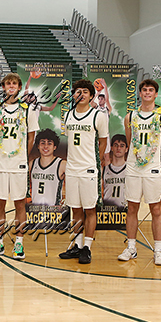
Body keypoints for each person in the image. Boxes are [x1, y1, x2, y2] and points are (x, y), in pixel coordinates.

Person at [118, 79, 161, 266]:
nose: (147, 93)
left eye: (151, 90)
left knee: (156, 209)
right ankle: (131, 248)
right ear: (140, 93)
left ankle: (158, 250)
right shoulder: (130, 116)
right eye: (144, 90)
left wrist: (156, 161)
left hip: (153, 168)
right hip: (133, 167)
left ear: (156, 94)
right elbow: (130, 141)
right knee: (132, 208)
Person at [0, 73, 39, 260]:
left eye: (14, 83)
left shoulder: (28, 110)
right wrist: (3, 152)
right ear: (3, 87)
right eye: (7, 83)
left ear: (19, 87)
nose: (11, 86)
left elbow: (31, 137)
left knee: (19, 203)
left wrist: (22, 155)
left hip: (19, 164)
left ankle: (19, 243)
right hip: (0, 163)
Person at [58, 80, 108, 264]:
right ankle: (77, 245)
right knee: (76, 209)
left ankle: (87, 247)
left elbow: (103, 142)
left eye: (85, 91)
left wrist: (95, 162)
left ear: (91, 95)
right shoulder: (68, 115)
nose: (81, 94)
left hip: (88, 169)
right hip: (72, 169)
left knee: (90, 209)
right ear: (73, 95)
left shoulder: (98, 116)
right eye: (78, 91)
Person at [30, 128, 65, 206]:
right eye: (43, 143)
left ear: (55, 147)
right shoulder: (32, 164)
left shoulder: (62, 164)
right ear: (38, 146)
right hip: (35, 210)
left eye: (49, 143)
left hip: (55, 210)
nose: (45, 146)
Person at [102, 134, 128, 209]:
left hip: (124, 210)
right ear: (111, 148)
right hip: (107, 209)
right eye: (116, 145)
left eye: (122, 146)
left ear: (126, 149)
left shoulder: (130, 170)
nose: (118, 148)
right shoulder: (104, 169)